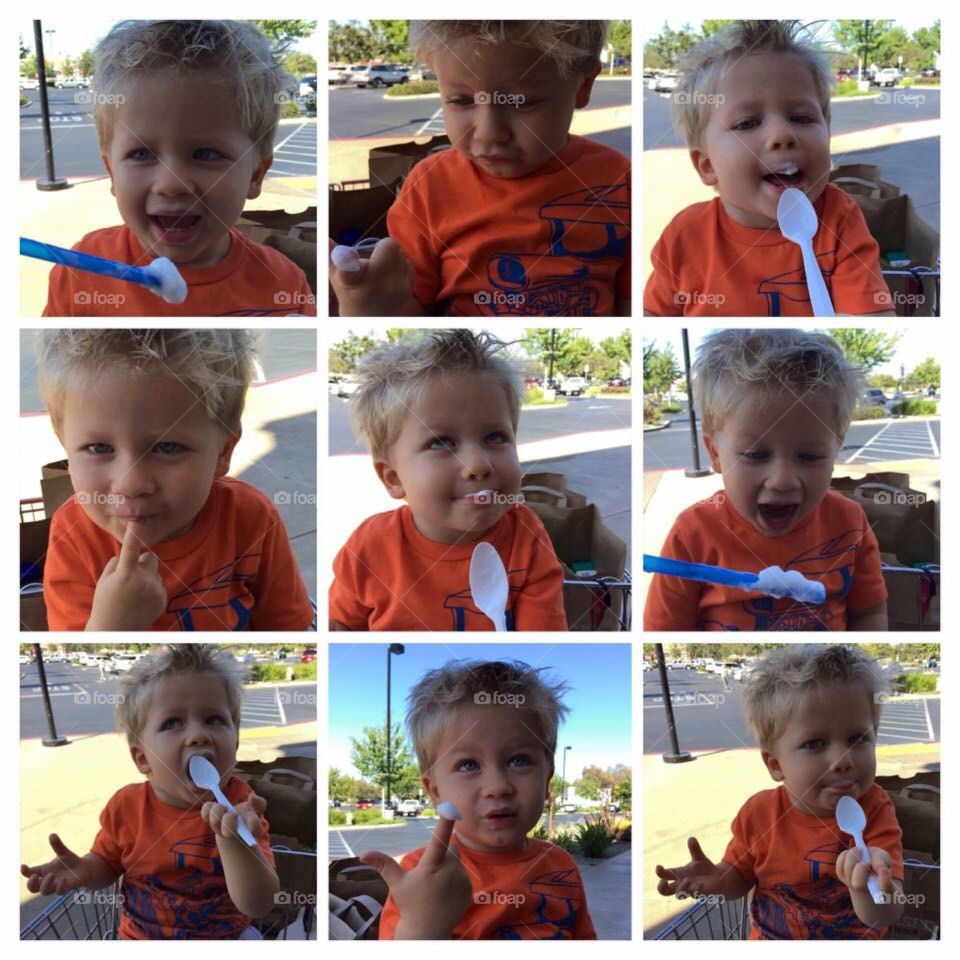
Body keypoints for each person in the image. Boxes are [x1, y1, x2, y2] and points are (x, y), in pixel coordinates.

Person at [329, 20, 630, 317]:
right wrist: (369, 308)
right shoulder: (428, 186)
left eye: (521, 102)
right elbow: (411, 305)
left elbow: (628, 299)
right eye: (461, 100)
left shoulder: (619, 178)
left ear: (583, 86)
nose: (488, 133)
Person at [38, 329, 313, 630]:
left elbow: (287, 623)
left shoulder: (253, 517)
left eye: (167, 447)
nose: (130, 485)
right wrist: (112, 625)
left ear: (223, 452)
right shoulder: (73, 534)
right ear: (64, 443)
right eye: (99, 448)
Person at [42, 20, 315, 317]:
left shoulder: (285, 283)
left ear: (255, 175)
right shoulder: (80, 271)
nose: (171, 184)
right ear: (111, 172)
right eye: (142, 153)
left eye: (206, 154)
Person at [21, 645, 279, 939]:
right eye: (172, 723)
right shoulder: (126, 808)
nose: (197, 735)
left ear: (234, 743)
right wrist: (83, 870)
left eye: (214, 719)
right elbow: (106, 865)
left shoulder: (241, 804)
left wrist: (234, 841)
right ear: (143, 759)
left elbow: (260, 904)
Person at [644, 20, 895, 317]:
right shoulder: (684, 237)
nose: (782, 135)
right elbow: (654, 318)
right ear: (708, 166)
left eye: (802, 118)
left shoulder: (839, 219)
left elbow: (872, 317)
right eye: (747, 123)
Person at [644, 329, 888, 630]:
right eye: (755, 455)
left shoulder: (850, 522)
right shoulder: (692, 534)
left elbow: (869, 613)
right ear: (715, 453)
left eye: (810, 457)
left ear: (835, 450)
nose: (782, 481)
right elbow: (664, 629)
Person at [656, 644, 905, 938]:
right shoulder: (759, 815)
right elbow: (740, 877)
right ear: (776, 765)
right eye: (815, 743)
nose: (843, 760)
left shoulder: (874, 809)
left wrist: (866, 887)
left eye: (857, 738)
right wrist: (717, 879)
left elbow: (887, 912)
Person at [329, 330, 567, 630]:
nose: (478, 464)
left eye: (495, 436)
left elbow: (541, 641)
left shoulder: (527, 536)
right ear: (393, 478)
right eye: (441, 443)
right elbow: (341, 630)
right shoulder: (368, 547)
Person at [361, 659, 596, 939]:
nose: (497, 787)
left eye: (518, 760)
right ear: (434, 791)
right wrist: (420, 926)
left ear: (546, 780)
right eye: (468, 765)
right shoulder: (421, 876)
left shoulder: (562, 866)